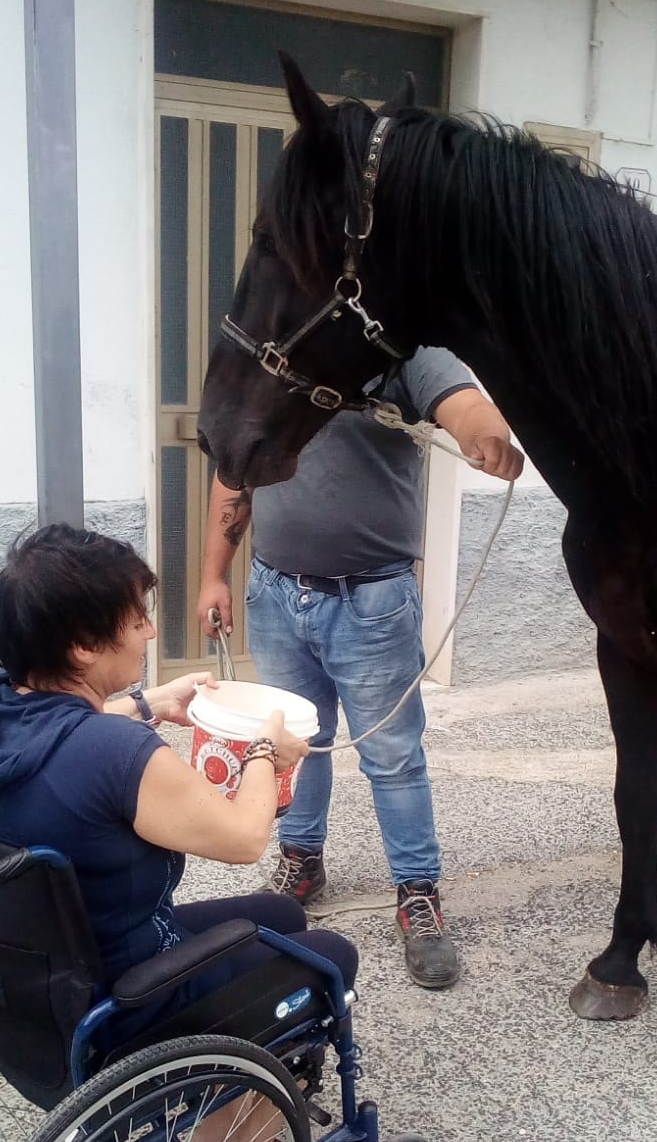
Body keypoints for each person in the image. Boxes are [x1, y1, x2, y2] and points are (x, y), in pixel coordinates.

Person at [0, 523, 359, 1142]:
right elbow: (242, 837)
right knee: (329, 958)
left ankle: (233, 1097)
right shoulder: (114, 754)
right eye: (136, 620)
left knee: (284, 916)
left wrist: (145, 703)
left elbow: (68, 732)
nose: (146, 632)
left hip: (24, 987)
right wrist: (264, 751)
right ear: (83, 645)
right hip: (123, 1002)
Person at [197, 347, 522, 990]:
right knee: (292, 746)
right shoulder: (274, 355)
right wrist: (212, 575)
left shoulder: (405, 351)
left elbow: (463, 405)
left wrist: (487, 435)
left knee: (393, 757)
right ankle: (302, 859)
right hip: (276, 591)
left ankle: (418, 894)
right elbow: (234, 472)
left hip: (371, 601)